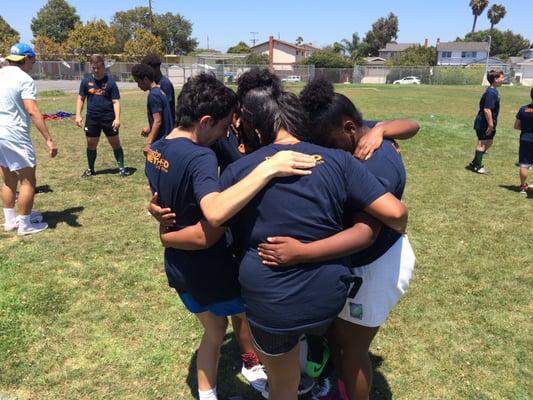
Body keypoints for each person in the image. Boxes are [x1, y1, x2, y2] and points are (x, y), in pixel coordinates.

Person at [145, 73, 318, 400]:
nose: (227, 133)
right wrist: (268, 168)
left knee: (212, 333)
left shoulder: (156, 149)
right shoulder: (200, 157)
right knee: (269, 327)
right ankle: (283, 379)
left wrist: (165, 233)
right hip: (211, 271)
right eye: (224, 126)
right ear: (205, 121)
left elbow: (161, 201)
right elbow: (213, 217)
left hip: (179, 270)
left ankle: (209, 395)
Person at [257, 78, 419, 400]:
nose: (325, 153)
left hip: (374, 264)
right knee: (337, 334)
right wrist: (383, 128)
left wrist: (301, 252)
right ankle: (335, 387)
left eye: (327, 144)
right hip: (360, 261)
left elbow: (365, 232)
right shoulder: (362, 134)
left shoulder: (373, 167)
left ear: (348, 129)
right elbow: (412, 125)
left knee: (353, 349)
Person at [0, 43, 58, 235]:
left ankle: (10, 221)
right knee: (28, 180)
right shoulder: (24, 79)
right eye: (32, 59)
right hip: (14, 134)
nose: (33, 63)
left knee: (8, 179)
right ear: (24, 59)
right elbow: (32, 111)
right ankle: (25, 225)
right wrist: (49, 139)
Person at [75, 55, 126, 177]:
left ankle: (122, 169)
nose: (96, 70)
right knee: (91, 144)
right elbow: (81, 98)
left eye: (98, 67)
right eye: (93, 68)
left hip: (108, 118)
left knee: (115, 143)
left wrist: (117, 118)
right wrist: (78, 115)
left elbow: (116, 102)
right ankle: (91, 169)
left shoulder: (111, 83)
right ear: (90, 67)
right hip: (92, 118)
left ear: (103, 66)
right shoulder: (86, 81)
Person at [131, 64, 174, 154]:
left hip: (160, 142)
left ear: (146, 79)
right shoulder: (160, 91)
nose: (138, 85)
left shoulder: (153, 95)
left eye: (138, 82)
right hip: (168, 140)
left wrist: (148, 143)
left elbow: (157, 121)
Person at [468, 69, 504, 174]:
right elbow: (487, 109)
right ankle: (477, 166)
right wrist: (490, 124)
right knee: (482, 144)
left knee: (489, 141)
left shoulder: (493, 91)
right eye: (501, 77)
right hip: (484, 122)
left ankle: (474, 162)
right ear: (495, 79)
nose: (503, 79)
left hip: (488, 122)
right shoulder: (491, 92)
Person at [141, 54, 176, 124]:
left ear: (156, 68)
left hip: (166, 127)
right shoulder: (154, 83)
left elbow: (166, 108)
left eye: (148, 69)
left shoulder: (165, 83)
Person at [513, 87, 533, 195]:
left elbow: (516, 126)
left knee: (524, 164)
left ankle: (522, 187)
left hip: (525, 139)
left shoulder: (523, 109)